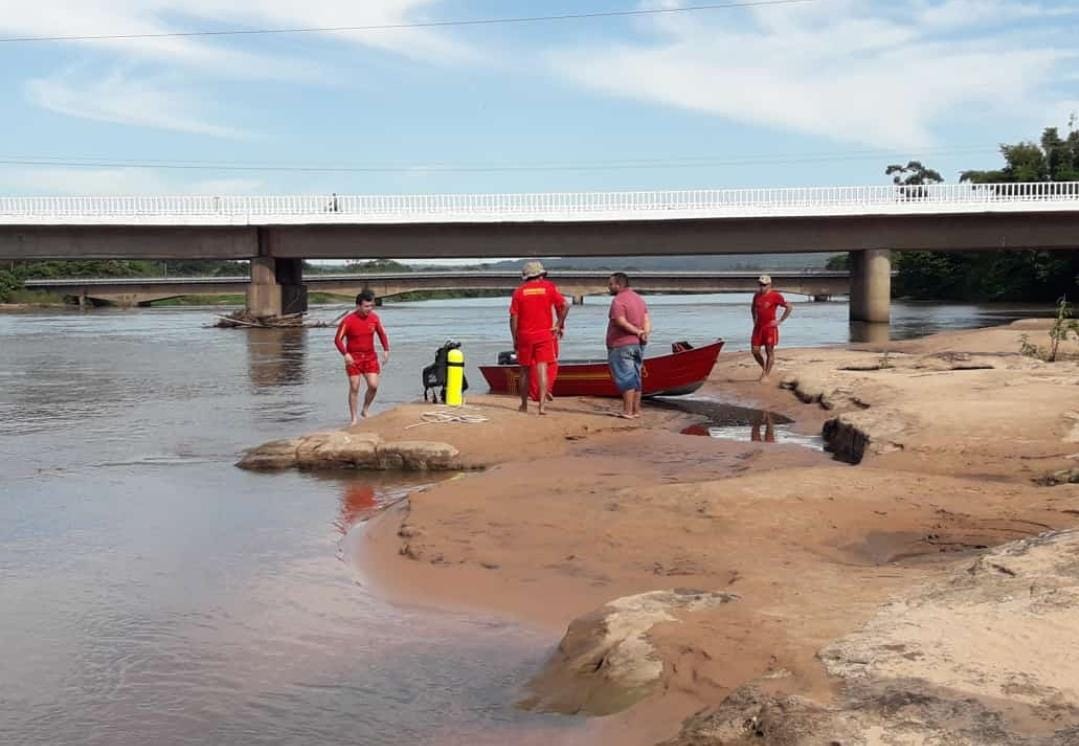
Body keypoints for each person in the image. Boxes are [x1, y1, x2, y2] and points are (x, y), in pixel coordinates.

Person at [509, 260, 569, 415]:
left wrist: (514, 338)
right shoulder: (548, 288)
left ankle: (523, 405)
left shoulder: (519, 292)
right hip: (544, 334)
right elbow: (566, 305)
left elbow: (513, 318)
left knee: (524, 370)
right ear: (540, 275)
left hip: (525, 335)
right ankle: (541, 407)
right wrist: (558, 323)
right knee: (542, 368)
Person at [335, 290, 390, 424]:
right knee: (354, 386)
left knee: (373, 385)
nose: (369, 309)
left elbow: (382, 334)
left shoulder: (374, 318)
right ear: (358, 306)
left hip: (370, 357)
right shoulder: (348, 320)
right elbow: (337, 340)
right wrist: (345, 354)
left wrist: (386, 350)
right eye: (366, 306)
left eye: (371, 306)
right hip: (353, 358)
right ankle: (354, 418)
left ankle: (365, 409)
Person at [606, 272, 651, 419]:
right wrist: (644, 333)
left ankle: (627, 411)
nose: (609, 287)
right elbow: (646, 319)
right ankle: (636, 410)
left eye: (611, 284)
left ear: (618, 285)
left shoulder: (618, 301)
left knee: (626, 378)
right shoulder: (639, 299)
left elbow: (620, 321)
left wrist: (638, 332)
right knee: (636, 377)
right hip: (638, 344)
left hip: (621, 344)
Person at [751, 274, 792, 381]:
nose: (762, 287)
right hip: (758, 327)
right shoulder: (757, 295)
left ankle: (766, 374)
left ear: (769, 285)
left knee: (769, 351)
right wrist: (754, 320)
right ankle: (763, 368)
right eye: (760, 284)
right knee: (755, 351)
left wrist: (780, 321)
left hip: (770, 327)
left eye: (764, 285)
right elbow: (753, 308)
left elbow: (789, 307)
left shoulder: (776, 296)